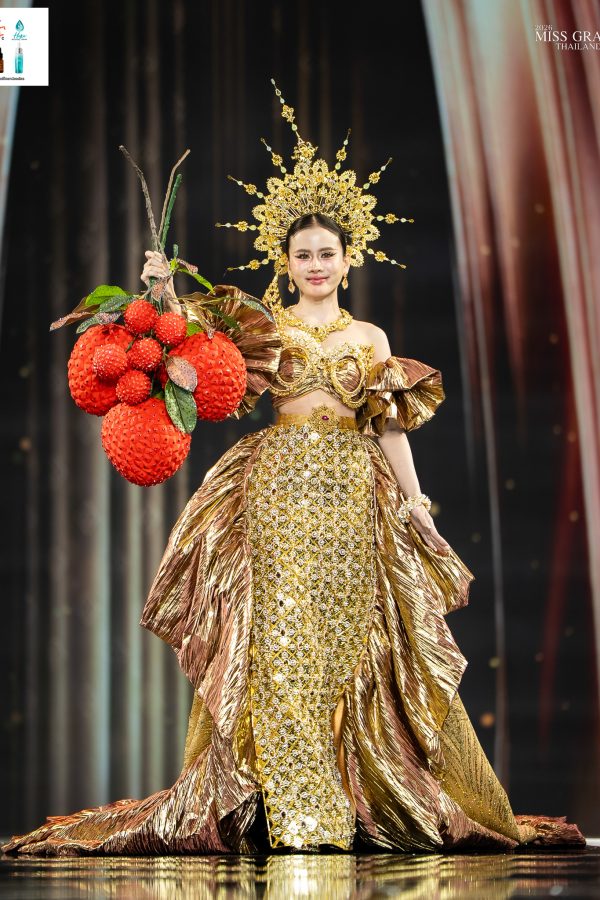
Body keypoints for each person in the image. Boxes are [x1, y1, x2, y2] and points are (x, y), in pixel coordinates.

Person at [1, 81, 584, 856]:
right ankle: (298, 810)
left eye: (326, 254)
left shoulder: (370, 340)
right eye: (303, 254)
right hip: (278, 489)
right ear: (287, 260)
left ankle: (352, 792)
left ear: (347, 259)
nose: (315, 264)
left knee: (349, 642)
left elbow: (388, 427)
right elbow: (189, 346)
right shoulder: (263, 326)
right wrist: (161, 290)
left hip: (353, 492)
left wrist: (415, 503)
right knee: (280, 640)